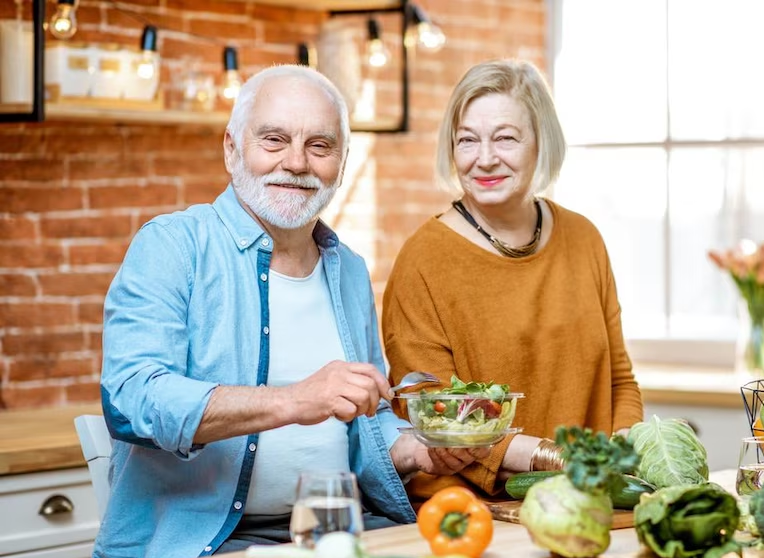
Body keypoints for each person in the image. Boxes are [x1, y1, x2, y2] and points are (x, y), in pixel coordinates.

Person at [95, 65, 487, 558]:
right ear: (232, 149)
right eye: (274, 139)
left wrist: (419, 451)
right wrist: (292, 401)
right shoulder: (172, 245)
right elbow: (132, 399)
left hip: (343, 530)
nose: (297, 162)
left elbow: (369, 413)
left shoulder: (347, 269)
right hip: (207, 543)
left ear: (342, 164)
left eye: (320, 146)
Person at [381, 59, 643, 502]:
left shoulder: (584, 238)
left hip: (588, 501)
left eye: (505, 138)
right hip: (472, 511)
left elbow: (619, 380)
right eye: (467, 140)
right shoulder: (423, 259)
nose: (485, 158)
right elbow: (435, 416)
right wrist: (554, 457)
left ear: (541, 142)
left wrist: (621, 454)